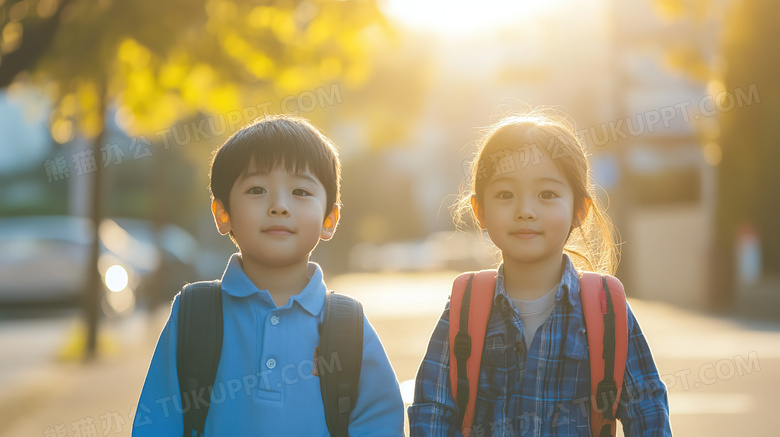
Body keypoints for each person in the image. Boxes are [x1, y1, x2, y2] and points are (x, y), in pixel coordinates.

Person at [133, 114, 404, 435]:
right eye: (257, 189)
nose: (279, 205)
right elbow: (158, 423)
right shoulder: (195, 313)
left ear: (330, 218)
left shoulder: (347, 326)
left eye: (301, 192)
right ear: (222, 214)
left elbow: (380, 425)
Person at [408, 112, 672, 436]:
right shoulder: (465, 308)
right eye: (505, 194)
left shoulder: (607, 311)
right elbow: (431, 409)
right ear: (480, 211)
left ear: (579, 210)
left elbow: (648, 411)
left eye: (547, 194)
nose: (525, 210)